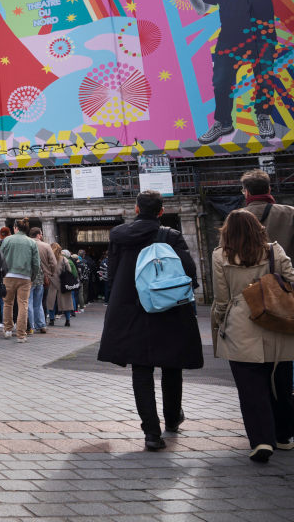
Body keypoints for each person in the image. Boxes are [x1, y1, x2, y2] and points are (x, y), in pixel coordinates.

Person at [97, 190, 203, 452]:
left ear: (136, 209)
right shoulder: (171, 236)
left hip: (131, 309)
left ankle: (151, 433)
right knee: (172, 366)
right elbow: (189, 272)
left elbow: (112, 275)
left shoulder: (119, 236)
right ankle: (172, 418)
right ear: (161, 211)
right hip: (167, 309)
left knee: (141, 369)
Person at [184, 0, 293, 142]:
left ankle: (263, 116)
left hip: (261, 34)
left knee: (264, 77)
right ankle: (223, 123)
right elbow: (202, 9)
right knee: (221, 81)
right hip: (229, 38)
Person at [211, 209, 294, 462]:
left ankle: (261, 440)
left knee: (250, 388)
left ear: (227, 231)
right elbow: (291, 279)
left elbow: (221, 297)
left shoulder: (220, 255)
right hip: (277, 321)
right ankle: (283, 436)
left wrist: (220, 321)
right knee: (280, 383)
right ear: (258, 228)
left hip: (241, 324)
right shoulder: (274, 250)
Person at [0, 218, 40, 343]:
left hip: (8, 275)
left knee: (8, 303)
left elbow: (0, 257)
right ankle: (21, 334)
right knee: (23, 304)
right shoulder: (31, 242)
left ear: (15, 228)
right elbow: (36, 263)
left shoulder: (7, 240)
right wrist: (32, 276)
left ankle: (7, 329)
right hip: (25, 276)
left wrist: (1, 274)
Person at [240, 168, 294, 256]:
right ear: (269, 190)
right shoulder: (290, 213)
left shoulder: (234, 218)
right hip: (286, 264)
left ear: (247, 193)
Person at [30, 228, 54, 335]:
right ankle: (41, 324)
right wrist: (50, 273)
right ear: (39, 235)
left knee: (29, 302)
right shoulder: (46, 245)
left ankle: (31, 326)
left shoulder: (28, 244)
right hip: (42, 277)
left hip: (29, 277)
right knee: (39, 303)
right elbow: (53, 262)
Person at [47, 247, 77, 326]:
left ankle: (51, 320)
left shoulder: (50, 259)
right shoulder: (64, 259)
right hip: (63, 283)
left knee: (52, 302)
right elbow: (69, 270)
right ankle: (67, 320)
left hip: (52, 283)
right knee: (66, 302)